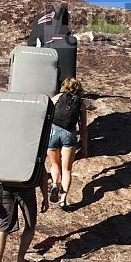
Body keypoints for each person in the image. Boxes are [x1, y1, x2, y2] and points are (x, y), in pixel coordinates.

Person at [0, 177, 49, 262]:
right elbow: (41, 171)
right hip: (26, 185)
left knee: (2, 229)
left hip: (3, 186)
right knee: (30, 225)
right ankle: (21, 261)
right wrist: (45, 197)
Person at [48, 78, 88, 209]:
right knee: (67, 169)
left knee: (55, 164)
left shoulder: (57, 98)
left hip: (53, 132)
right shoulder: (81, 104)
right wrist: (85, 146)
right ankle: (63, 200)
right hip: (69, 135)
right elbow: (83, 127)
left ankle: (55, 184)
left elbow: (46, 115)